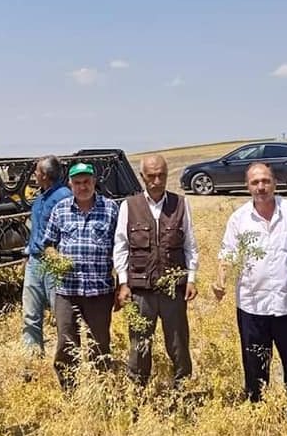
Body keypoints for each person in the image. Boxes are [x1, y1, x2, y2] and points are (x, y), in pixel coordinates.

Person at [210, 162, 287, 414]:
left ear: (275, 182)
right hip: (252, 306)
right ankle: (258, 411)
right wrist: (220, 281)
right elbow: (228, 254)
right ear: (247, 186)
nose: (261, 187)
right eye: (255, 182)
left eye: (265, 181)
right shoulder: (238, 219)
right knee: (255, 364)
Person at [113, 154, 199, 387]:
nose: (157, 180)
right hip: (141, 291)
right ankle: (137, 393)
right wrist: (123, 283)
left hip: (173, 289)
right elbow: (120, 246)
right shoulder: (129, 206)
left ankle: (184, 391)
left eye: (161, 175)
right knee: (139, 344)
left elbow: (190, 245)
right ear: (142, 177)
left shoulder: (181, 204)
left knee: (178, 343)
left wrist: (191, 278)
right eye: (151, 176)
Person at [43, 162, 120, 391]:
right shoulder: (61, 209)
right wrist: (55, 258)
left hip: (99, 290)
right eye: (77, 182)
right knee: (66, 345)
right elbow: (48, 244)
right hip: (67, 291)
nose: (82, 186)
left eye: (87, 182)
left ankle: (102, 391)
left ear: (94, 182)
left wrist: (122, 284)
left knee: (100, 344)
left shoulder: (110, 209)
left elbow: (120, 248)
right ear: (70, 185)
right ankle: (70, 391)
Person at [21, 155, 72, 356]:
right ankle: (32, 358)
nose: (34, 174)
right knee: (30, 313)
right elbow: (35, 230)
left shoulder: (64, 197)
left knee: (60, 313)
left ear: (44, 175)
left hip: (54, 262)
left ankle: (66, 358)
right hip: (34, 261)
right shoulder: (40, 198)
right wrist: (27, 255)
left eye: (36, 171)